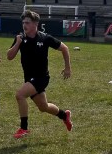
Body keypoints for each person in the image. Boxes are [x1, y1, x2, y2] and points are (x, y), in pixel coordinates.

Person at [6, 10, 72, 139]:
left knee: (20, 95)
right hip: (29, 78)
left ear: (36, 23)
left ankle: (23, 128)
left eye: (28, 23)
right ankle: (64, 115)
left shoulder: (45, 38)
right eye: (23, 22)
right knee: (43, 107)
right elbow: (9, 56)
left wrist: (67, 68)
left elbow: (64, 48)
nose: (24, 25)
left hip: (41, 78)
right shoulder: (20, 38)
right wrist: (17, 43)